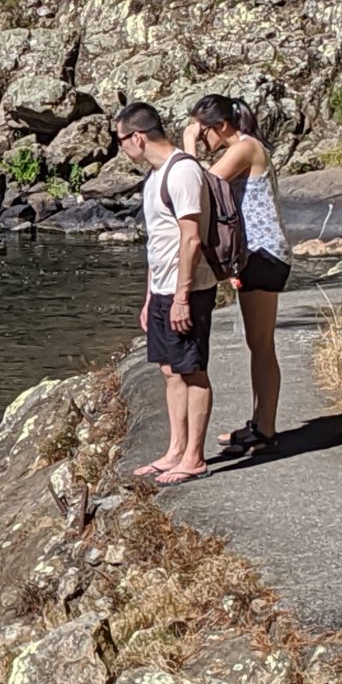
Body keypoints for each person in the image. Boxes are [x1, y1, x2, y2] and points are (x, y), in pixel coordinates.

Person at [182, 93, 292, 455]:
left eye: (203, 131)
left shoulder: (245, 148)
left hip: (263, 255)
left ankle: (265, 429)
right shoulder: (243, 147)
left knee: (261, 344)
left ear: (222, 126)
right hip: (258, 255)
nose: (202, 139)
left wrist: (187, 147)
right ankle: (260, 424)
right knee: (257, 344)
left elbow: (200, 186)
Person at [114, 102, 218, 482]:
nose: (121, 148)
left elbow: (190, 239)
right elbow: (157, 243)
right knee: (170, 370)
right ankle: (175, 449)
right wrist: (149, 298)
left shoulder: (183, 172)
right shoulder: (154, 177)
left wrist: (181, 297)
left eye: (121, 140)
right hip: (161, 290)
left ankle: (194, 458)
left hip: (187, 289)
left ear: (138, 137)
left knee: (193, 371)